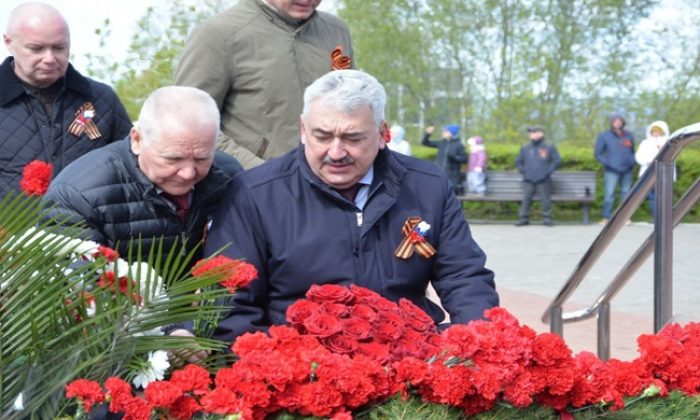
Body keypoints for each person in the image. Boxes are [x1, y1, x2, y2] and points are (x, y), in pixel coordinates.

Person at [203, 69, 499, 342]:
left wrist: (474, 345)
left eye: (353, 137)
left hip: (408, 356)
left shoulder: (427, 186)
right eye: (321, 136)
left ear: (383, 134)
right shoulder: (255, 194)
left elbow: (464, 277)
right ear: (303, 130)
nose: (336, 152)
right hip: (304, 368)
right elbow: (230, 307)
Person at [41, 86, 242, 265]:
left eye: (202, 159)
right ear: (137, 140)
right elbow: (79, 290)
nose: (188, 173)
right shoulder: (77, 196)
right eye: (173, 159)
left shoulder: (230, 177)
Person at [174, 0, 354, 169]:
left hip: (332, 184)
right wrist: (262, 173)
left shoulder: (336, 31)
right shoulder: (218, 34)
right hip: (251, 190)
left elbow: (352, 107)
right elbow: (188, 123)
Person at [0, 2, 132, 200]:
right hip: (10, 228)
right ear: (8, 42)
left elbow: (132, 170)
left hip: (87, 228)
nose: (50, 58)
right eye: (36, 49)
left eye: (59, 48)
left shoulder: (102, 100)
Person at [594, 112, 636, 224]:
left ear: (622, 122)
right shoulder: (604, 136)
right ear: (611, 123)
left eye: (619, 121)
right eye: (615, 121)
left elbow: (633, 152)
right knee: (609, 194)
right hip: (611, 170)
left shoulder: (628, 135)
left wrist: (632, 161)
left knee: (626, 194)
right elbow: (598, 154)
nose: (617, 123)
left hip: (627, 170)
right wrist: (608, 163)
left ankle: (625, 217)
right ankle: (606, 217)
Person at [515, 126, 561, 226]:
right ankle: (523, 218)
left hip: (543, 179)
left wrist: (547, 172)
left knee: (545, 199)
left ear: (541, 133)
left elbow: (556, 161)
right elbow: (518, 162)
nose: (532, 134)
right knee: (526, 199)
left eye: (534, 132)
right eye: (530, 132)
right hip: (528, 179)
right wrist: (524, 171)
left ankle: (547, 218)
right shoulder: (525, 148)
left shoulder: (549, 147)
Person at [635, 120, 671, 218]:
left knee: (664, 197)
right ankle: (656, 217)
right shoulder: (645, 143)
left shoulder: (668, 142)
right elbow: (639, 156)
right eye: (653, 131)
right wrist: (648, 161)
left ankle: (667, 217)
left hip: (663, 173)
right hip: (648, 172)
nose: (655, 133)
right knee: (652, 197)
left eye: (658, 131)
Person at [421, 124, 468, 195]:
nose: (443, 132)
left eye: (446, 131)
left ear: (452, 133)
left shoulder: (459, 145)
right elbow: (425, 143)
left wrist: (454, 158)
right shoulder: (441, 143)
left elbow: (464, 159)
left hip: (452, 177)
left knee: (451, 197)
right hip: (439, 175)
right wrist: (428, 134)